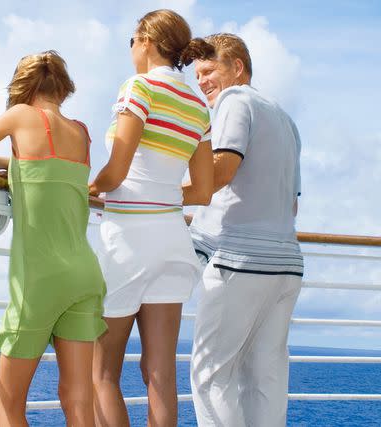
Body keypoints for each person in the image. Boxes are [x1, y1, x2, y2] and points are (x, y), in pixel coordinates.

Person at [90, 9, 214, 427]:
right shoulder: (198, 104)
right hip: (173, 241)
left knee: (102, 372)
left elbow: (115, 171)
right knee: (160, 374)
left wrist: (85, 188)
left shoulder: (138, 88)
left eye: (131, 41)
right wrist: (160, 194)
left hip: (128, 241)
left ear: (145, 40)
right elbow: (202, 190)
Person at [0, 50, 107, 427]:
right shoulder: (81, 133)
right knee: (78, 401)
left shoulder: (20, 117)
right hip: (85, 274)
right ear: (63, 89)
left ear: (21, 87)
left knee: (4, 403)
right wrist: (7, 162)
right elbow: (38, 167)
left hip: (40, 280)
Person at [188, 33, 304, 427]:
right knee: (265, 376)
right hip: (286, 266)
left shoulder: (234, 101)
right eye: (198, 75)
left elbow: (220, 173)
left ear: (237, 67)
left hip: (241, 263)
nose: (202, 81)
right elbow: (292, 204)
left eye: (209, 71)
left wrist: (159, 193)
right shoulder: (285, 120)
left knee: (210, 376)